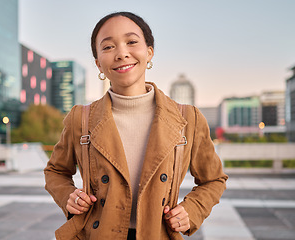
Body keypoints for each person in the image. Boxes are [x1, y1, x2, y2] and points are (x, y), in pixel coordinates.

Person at [44, 11, 228, 240]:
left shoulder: (188, 118)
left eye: (131, 42)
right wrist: (69, 196)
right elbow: (55, 171)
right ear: (98, 63)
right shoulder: (80, 119)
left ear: (149, 52)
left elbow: (214, 179)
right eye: (108, 47)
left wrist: (192, 210)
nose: (122, 53)